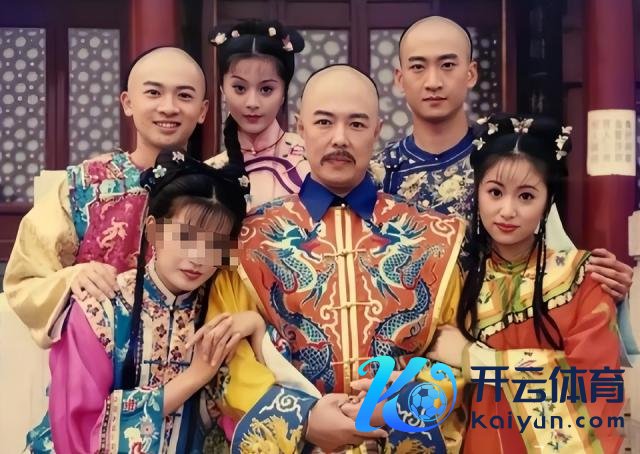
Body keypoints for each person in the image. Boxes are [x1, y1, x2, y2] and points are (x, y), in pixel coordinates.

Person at [232, 64, 466, 453]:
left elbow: (458, 357)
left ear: (377, 130)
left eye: (356, 124)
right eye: (324, 122)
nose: (340, 138)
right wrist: (304, 418)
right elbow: (232, 357)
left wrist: (403, 404)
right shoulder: (249, 237)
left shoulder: (434, 234)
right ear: (301, 127)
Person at [371, 15, 632, 300]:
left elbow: (555, 257)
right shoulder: (379, 172)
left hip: (498, 315)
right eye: (418, 67)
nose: (433, 82)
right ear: (400, 79)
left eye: (447, 65)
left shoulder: (505, 154)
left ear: (471, 73)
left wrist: (599, 280)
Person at [24, 150, 270, 453]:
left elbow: (246, 415)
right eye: (185, 237)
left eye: (214, 244)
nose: (198, 257)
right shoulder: (99, 309)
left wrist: (256, 325)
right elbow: (79, 426)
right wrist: (194, 377)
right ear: (153, 230)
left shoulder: (217, 311)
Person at [427, 114, 623, 453]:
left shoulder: (583, 278)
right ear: (477, 193)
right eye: (495, 192)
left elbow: (594, 385)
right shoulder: (457, 280)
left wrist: (475, 359)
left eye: (527, 196)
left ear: (548, 201)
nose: (507, 210)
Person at [4, 47, 209, 347]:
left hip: (190, 360)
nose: (168, 107)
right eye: (153, 93)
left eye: (185, 96)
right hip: (96, 360)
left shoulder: (214, 193)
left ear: (202, 110)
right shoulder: (82, 187)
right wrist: (71, 278)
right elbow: (24, 282)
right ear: (128, 102)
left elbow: (232, 277)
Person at [208, 19, 310, 209]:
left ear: (284, 92)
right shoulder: (209, 173)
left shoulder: (312, 161)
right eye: (239, 88)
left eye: (266, 89)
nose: (252, 103)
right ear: (222, 89)